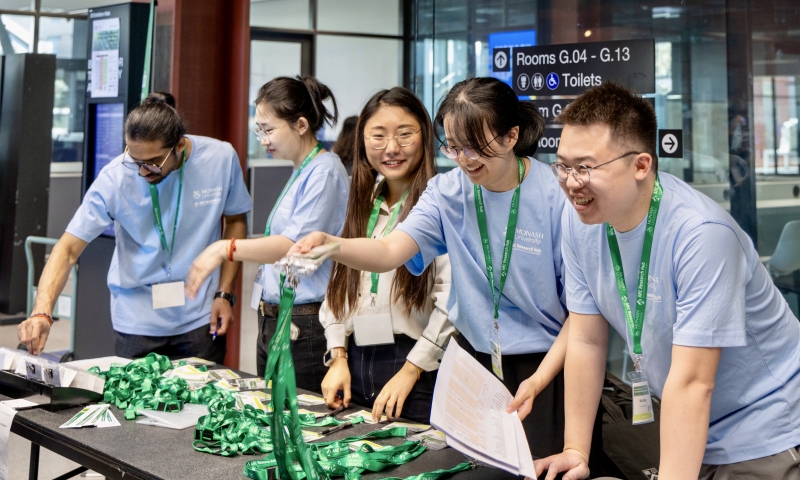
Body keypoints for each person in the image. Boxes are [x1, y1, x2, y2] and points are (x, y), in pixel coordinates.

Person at [291, 77, 578, 459]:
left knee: (539, 465)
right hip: (473, 360)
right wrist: (334, 245)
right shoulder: (447, 191)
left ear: (512, 137)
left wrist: (540, 379)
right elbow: (391, 250)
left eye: (477, 147)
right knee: (467, 467)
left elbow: (582, 312)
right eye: (455, 147)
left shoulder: (556, 196)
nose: (465, 159)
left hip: (545, 364)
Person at [536, 82, 800, 480]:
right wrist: (576, 447)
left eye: (586, 167)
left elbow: (694, 382)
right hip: (688, 424)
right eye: (563, 166)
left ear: (641, 165)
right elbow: (587, 338)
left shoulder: (701, 234)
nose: (571, 182)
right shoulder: (580, 221)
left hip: (764, 429)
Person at [17, 93, 251, 363]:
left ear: (178, 145)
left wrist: (225, 292)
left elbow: (235, 220)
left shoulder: (220, 158)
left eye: (153, 163)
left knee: (202, 401)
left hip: (199, 316)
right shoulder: (114, 178)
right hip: (136, 321)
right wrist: (42, 312)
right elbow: (68, 248)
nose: (142, 171)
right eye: (134, 160)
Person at [186, 76, 349, 392]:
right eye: (258, 130)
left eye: (268, 129)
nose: (262, 139)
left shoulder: (325, 170)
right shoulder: (302, 168)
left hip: (304, 322)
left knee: (299, 424)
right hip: (276, 318)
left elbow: (290, 246)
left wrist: (225, 248)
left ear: (301, 125)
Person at [319, 87, 455, 424]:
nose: (391, 148)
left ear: (425, 137)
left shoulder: (442, 204)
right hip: (355, 360)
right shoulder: (362, 204)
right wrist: (337, 355)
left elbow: (452, 301)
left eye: (404, 135)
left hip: (416, 367)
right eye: (377, 136)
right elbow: (339, 286)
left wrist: (412, 370)